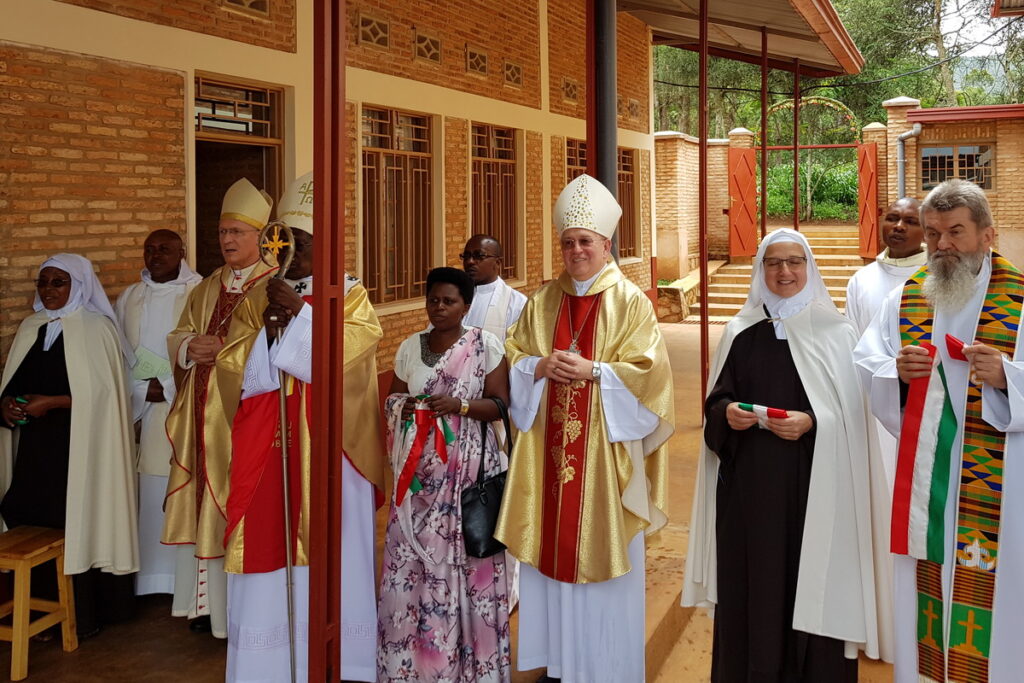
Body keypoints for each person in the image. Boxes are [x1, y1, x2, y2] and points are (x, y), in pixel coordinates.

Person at [683, 229, 892, 682]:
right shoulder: (739, 332)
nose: (784, 271)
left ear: (809, 268)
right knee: (752, 590)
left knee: (813, 589)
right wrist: (727, 413)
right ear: (760, 269)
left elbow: (854, 420)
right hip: (749, 497)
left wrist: (813, 422)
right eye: (773, 262)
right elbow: (716, 403)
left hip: (815, 491)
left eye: (795, 262)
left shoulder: (837, 333)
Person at [495, 174, 674, 683]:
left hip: (603, 465)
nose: (575, 250)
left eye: (585, 242)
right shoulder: (542, 301)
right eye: (568, 242)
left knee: (602, 560)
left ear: (606, 245)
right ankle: (558, 665)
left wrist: (596, 371)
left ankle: (605, 668)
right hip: (547, 460)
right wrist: (537, 367)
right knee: (550, 553)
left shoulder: (631, 302)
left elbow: (652, 377)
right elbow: (513, 354)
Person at [855, 179, 1024, 682]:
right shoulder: (906, 299)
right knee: (926, 594)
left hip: (1002, 487)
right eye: (933, 234)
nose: (941, 245)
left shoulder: (1019, 301)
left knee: (1002, 606)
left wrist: (1008, 379)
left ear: (987, 235)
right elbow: (867, 361)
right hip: (928, 483)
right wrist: (895, 373)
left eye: (955, 232)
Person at [224, 172, 384, 683]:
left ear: (328, 245)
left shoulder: (350, 295)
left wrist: (298, 316)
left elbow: (347, 361)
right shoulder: (259, 295)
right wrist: (268, 337)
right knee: (269, 537)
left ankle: (344, 659)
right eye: (284, 241)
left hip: (334, 450)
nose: (291, 253)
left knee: (337, 546)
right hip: (270, 446)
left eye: (303, 242)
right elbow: (234, 368)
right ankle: (269, 662)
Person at [377, 267, 511, 682]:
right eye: (433, 300)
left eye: (448, 301)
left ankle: (468, 666)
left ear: (466, 306)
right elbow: (392, 398)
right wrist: (405, 406)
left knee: (463, 565)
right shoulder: (408, 347)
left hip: (465, 477)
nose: (439, 308)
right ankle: (412, 666)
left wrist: (459, 406)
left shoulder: (485, 346)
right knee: (409, 564)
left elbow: (500, 405)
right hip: (416, 478)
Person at [0, 253, 139, 639]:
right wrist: (6, 404)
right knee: (27, 514)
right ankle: (36, 610)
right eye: (43, 283)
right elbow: (14, 382)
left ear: (78, 285)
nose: (48, 290)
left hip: (82, 450)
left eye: (58, 282)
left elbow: (108, 398)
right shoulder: (31, 327)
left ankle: (85, 615)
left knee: (78, 519)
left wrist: (54, 402)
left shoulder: (97, 329)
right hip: (35, 450)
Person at [163, 178, 276, 638]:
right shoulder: (207, 285)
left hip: (244, 416)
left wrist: (223, 351)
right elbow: (179, 332)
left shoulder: (275, 286)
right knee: (204, 500)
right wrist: (189, 346)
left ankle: (241, 612)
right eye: (222, 232)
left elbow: (275, 349)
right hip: (201, 411)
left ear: (260, 237)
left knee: (238, 499)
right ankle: (208, 609)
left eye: (236, 232)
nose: (227, 240)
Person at [114, 229, 202, 597]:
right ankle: (148, 581)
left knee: (180, 487)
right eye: (149, 250)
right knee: (147, 493)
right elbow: (118, 353)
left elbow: (203, 350)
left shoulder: (200, 291)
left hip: (184, 405)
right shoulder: (130, 297)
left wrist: (167, 387)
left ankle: (182, 584)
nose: (156, 256)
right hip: (141, 408)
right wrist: (138, 390)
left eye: (165, 249)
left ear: (182, 252)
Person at [846, 197, 927, 336]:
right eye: (892, 219)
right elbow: (852, 337)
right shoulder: (862, 279)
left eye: (911, 222)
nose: (899, 226)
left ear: (926, 233)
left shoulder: (939, 277)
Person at [460, 234, 527, 339]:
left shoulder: (517, 303)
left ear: (498, 263)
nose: (470, 261)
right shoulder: (455, 295)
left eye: (479, 256)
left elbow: (518, 346)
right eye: (466, 256)